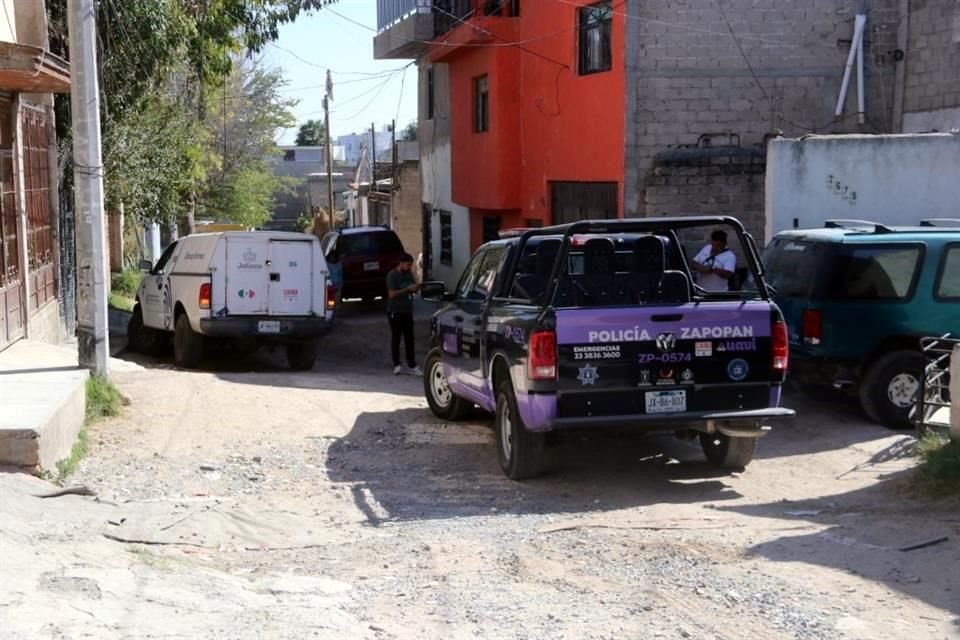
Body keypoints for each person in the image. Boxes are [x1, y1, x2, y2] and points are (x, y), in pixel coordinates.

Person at [386, 253, 423, 375]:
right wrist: (407, 289)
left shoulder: (408, 274)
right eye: (407, 265)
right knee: (396, 338)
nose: (409, 267)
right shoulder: (392, 275)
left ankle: (412, 364)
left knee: (409, 338)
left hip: (407, 310)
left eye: (410, 265)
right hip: (395, 311)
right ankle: (396, 364)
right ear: (401, 263)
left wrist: (416, 287)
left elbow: (413, 288)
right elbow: (391, 294)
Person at [326, 249, 343, 318]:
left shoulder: (339, 264)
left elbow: (341, 275)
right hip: (329, 286)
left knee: (337, 302)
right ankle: (330, 315)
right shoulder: (326, 264)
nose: (333, 258)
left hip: (337, 285)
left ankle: (336, 316)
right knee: (330, 302)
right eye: (331, 257)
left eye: (334, 257)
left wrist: (341, 284)